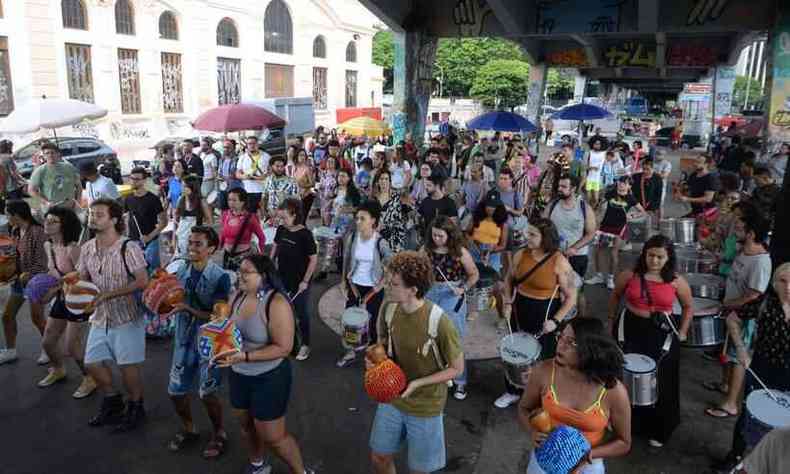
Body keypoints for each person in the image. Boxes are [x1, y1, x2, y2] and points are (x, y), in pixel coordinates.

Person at [212, 255, 313, 474]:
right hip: (238, 374)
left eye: (247, 272)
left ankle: (300, 471)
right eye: (240, 271)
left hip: (269, 376)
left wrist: (245, 357)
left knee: (274, 437)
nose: (240, 275)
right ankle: (257, 465)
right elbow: (226, 330)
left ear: (263, 276)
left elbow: (284, 348)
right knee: (247, 426)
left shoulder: (275, 303)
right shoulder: (236, 296)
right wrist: (217, 341)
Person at [368, 251, 464, 474]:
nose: (387, 287)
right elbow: (383, 344)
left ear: (413, 290)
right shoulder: (390, 308)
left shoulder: (440, 322)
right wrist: (375, 359)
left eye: (393, 284)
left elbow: (457, 369)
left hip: (425, 405)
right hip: (393, 398)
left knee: (420, 470)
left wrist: (417, 384)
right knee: (379, 457)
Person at [607, 235, 694, 448]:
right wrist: (610, 322)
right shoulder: (630, 275)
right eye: (650, 255)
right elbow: (615, 297)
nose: (654, 261)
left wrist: (682, 331)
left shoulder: (676, 281)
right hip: (630, 329)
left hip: (661, 333)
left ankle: (659, 428)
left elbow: (688, 307)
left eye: (660, 257)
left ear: (668, 257)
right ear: (644, 254)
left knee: (661, 380)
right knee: (625, 377)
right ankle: (624, 422)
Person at [518, 318, 632, 474]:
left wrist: (589, 455)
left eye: (571, 342)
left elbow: (624, 442)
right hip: (544, 461)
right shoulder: (544, 371)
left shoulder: (613, 391)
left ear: (590, 350)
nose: (561, 345)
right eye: (561, 337)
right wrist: (532, 431)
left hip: (588, 465)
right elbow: (524, 408)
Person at [79, 198, 149, 431]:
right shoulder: (88, 247)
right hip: (100, 316)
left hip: (126, 317)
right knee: (91, 363)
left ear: (114, 220)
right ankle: (112, 400)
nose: (93, 218)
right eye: (91, 214)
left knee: (127, 367)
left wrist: (109, 294)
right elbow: (83, 279)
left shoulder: (128, 247)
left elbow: (142, 281)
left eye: (99, 215)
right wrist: (73, 288)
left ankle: (136, 406)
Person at [712, 263, 790, 472]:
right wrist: (742, 350)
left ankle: (771, 463)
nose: (788, 287)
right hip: (763, 367)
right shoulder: (764, 302)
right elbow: (732, 319)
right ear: (775, 283)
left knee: (784, 423)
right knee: (750, 413)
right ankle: (736, 456)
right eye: (783, 281)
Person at [497, 218, 578, 409]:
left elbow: (571, 297)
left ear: (546, 238)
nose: (527, 237)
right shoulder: (520, 255)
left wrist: (555, 321)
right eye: (528, 232)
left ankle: (542, 396)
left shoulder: (559, 261)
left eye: (532, 234)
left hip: (545, 313)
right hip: (520, 308)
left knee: (543, 358)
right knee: (515, 351)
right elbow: (509, 279)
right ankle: (513, 390)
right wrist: (508, 301)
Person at [166, 226, 231, 458]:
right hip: (183, 341)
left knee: (207, 393)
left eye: (198, 244)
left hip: (208, 342)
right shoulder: (181, 268)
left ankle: (219, 433)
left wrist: (188, 309)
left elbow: (218, 317)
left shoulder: (220, 277)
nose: (191, 247)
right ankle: (189, 429)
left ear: (211, 249)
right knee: (175, 391)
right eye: (190, 242)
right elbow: (168, 296)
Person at [704, 210, 772, 420]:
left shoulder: (761, 261)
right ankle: (725, 385)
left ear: (751, 234)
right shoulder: (745, 250)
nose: (736, 231)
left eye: (741, 229)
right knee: (727, 351)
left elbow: (753, 295)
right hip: (731, 310)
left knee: (737, 358)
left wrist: (726, 305)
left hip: (743, 317)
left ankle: (731, 404)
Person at [37, 206, 96, 398]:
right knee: (48, 340)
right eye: (47, 219)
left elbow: (84, 278)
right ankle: (58, 369)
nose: (47, 223)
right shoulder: (48, 246)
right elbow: (53, 272)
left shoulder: (73, 248)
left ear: (64, 225)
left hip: (78, 299)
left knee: (72, 346)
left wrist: (53, 290)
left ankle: (90, 378)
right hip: (62, 297)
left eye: (53, 221)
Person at [422, 216, 479, 400]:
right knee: (430, 336)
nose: (436, 239)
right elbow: (417, 265)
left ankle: (460, 381)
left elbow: (473, 274)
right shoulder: (427, 249)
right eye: (434, 235)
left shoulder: (460, 252)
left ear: (450, 235)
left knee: (453, 339)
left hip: (451, 293)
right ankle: (435, 377)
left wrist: (463, 288)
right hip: (430, 292)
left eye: (440, 236)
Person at [337, 200, 392, 368]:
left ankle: (371, 355)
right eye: (357, 218)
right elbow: (346, 260)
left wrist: (381, 284)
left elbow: (391, 265)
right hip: (355, 286)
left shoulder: (380, 242)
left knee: (372, 321)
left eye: (362, 218)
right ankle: (350, 351)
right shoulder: (352, 237)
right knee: (350, 321)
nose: (358, 221)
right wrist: (343, 282)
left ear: (373, 221)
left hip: (373, 288)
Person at [0, 200, 49, 365]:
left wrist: (29, 274)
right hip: (19, 280)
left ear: (17, 215)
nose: (6, 218)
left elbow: (43, 261)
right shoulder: (14, 230)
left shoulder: (37, 232)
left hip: (36, 281)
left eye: (8, 214)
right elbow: (15, 254)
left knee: (37, 318)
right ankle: (10, 350)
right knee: (7, 316)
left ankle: (49, 349)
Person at [271, 199, 317, 361]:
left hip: (300, 281)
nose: (282, 221)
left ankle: (305, 344)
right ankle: (287, 341)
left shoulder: (305, 234)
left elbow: (313, 259)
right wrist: (270, 268)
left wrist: (305, 281)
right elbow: (275, 249)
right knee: (283, 311)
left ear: (295, 215)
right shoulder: (282, 229)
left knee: (301, 312)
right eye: (281, 218)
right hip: (282, 277)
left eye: (285, 218)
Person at [545, 175, 597, 316]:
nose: (559, 189)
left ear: (573, 189)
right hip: (554, 256)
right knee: (556, 289)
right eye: (559, 186)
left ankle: (581, 320)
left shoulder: (584, 208)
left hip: (577, 257)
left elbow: (591, 233)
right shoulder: (552, 205)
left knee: (576, 291)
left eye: (564, 187)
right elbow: (544, 226)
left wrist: (574, 248)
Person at [586, 177, 646, 290]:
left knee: (613, 253)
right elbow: (599, 205)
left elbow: (643, 212)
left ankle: (610, 278)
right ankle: (598, 276)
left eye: (624, 183)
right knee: (598, 251)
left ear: (629, 186)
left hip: (619, 228)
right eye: (620, 182)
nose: (621, 184)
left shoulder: (630, 198)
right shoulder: (610, 193)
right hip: (605, 226)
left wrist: (632, 216)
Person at [124, 167, 168, 272]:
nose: (133, 181)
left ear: (144, 181)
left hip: (151, 241)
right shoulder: (128, 198)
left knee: (154, 273)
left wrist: (149, 237)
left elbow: (164, 221)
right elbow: (127, 218)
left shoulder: (153, 199)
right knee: (137, 271)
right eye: (132, 178)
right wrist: (126, 237)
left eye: (137, 179)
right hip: (133, 241)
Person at [219, 188, 267, 272]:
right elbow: (222, 233)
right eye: (229, 200)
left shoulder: (250, 218)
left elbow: (262, 237)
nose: (231, 203)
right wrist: (219, 246)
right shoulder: (225, 214)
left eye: (234, 200)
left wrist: (260, 254)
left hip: (243, 257)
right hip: (227, 255)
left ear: (242, 202)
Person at [28, 142, 81, 214]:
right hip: (53, 210)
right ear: (43, 156)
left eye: (52, 152)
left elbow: (78, 185)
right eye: (47, 153)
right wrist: (46, 203)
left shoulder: (68, 167)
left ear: (58, 154)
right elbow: (31, 190)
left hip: (71, 208)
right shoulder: (40, 171)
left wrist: (78, 201)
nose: (50, 155)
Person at [173, 176, 213, 259]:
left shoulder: (201, 201)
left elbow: (209, 222)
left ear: (192, 187)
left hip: (195, 239)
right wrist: (174, 239)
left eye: (184, 186)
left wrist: (203, 239)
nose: (182, 188)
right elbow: (176, 221)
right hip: (181, 239)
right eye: (182, 186)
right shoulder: (180, 200)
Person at [372, 169, 411, 253]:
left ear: (390, 182)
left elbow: (402, 218)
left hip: (393, 235)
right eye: (381, 179)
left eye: (386, 179)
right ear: (377, 181)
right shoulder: (373, 199)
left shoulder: (396, 197)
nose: (384, 181)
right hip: (375, 233)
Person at [236, 136, 270, 214]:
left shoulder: (266, 156)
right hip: (248, 190)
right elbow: (237, 173)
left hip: (263, 190)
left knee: (264, 214)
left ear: (257, 144)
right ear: (247, 145)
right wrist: (245, 176)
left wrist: (263, 177)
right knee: (250, 214)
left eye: (253, 143)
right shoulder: (242, 157)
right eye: (249, 144)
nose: (251, 145)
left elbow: (271, 172)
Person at [260, 156, 299, 225]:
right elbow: (264, 197)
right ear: (272, 166)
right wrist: (264, 212)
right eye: (277, 166)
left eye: (282, 166)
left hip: (285, 217)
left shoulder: (291, 181)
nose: (280, 169)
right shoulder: (268, 180)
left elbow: (297, 201)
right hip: (270, 216)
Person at [331, 168, 361, 236]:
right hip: (336, 219)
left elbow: (358, 208)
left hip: (348, 222)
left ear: (349, 178)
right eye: (339, 176)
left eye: (343, 176)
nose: (340, 178)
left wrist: (345, 210)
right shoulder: (336, 189)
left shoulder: (353, 191)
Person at [631, 159, 663, 223]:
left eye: (648, 169)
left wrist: (654, 208)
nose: (645, 171)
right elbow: (632, 190)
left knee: (649, 223)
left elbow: (658, 194)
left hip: (651, 206)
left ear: (652, 168)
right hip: (638, 205)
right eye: (643, 169)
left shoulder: (657, 178)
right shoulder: (636, 176)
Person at [0, 139, 26, 213]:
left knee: (10, 207)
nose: (12, 148)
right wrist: (24, 181)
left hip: (4, 188)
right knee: (18, 207)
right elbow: (14, 174)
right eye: (11, 146)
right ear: (8, 147)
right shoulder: (8, 158)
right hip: (12, 187)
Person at [292, 149, 315, 224]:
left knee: (302, 219)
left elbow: (312, 183)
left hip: (306, 196)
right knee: (298, 219)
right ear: (296, 156)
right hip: (297, 196)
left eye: (304, 155)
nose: (302, 157)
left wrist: (303, 185)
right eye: (300, 155)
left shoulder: (307, 169)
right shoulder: (295, 168)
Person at [585, 140, 607, 207]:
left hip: (597, 179)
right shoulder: (590, 153)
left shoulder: (603, 153)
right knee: (588, 198)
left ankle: (592, 209)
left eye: (599, 144)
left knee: (596, 199)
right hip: (589, 178)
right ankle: (589, 210)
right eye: (596, 144)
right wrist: (591, 168)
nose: (597, 145)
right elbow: (584, 166)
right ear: (593, 145)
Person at [199, 138, 220, 202]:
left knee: (207, 201)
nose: (202, 147)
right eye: (201, 145)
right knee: (203, 201)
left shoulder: (213, 157)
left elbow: (215, 172)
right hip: (201, 182)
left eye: (204, 145)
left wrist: (216, 187)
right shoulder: (201, 155)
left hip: (208, 182)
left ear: (209, 146)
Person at [653, 150, 672, 221]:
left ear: (664, 155)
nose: (658, 155)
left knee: (660, 205)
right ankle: (652, 221)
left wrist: (653, 173)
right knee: (651, 205)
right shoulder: (653, 162)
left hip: (660, 187)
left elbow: (664, 175)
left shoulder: (667, 164)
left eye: (660, 154)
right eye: (657, 154)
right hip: (651, 186)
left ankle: (660, 221)